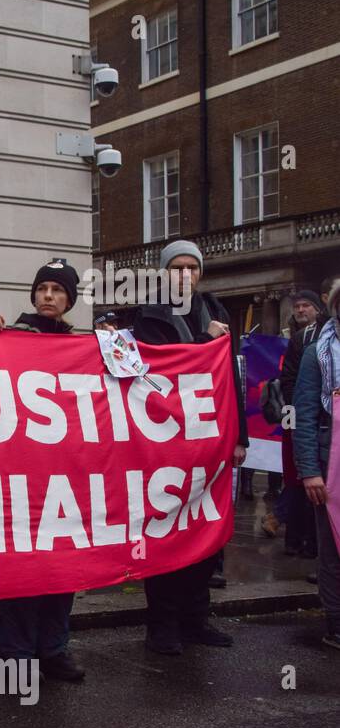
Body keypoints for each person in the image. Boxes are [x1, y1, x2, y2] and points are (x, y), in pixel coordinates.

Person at [130, 240, 248, 654]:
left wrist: (240, 436)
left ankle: (196, 619)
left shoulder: (215, 309)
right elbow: (157, 369)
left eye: (191, 268)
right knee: (166, 531)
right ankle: (161, 626)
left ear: (200, 273)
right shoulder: (147, 314)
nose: (185, 275)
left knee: (206, 532)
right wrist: (202, 341)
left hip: (211, 439)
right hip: (165, 440)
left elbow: (231, 376)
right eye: (176, 267)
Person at [0, 259, 86, 682]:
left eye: (57, 290)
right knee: (21, 567)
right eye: (42, 288)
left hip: (66, 475)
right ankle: (16, 652)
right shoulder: (9, 336)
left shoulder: (80, 347)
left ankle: (53, 648)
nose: (48, 296)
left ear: (69, 300)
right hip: (20, 474)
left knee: (63, 566)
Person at [291, 301, 340, 652]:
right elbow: (303, 413)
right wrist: (309, 470)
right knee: (334, 551)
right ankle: (336, 625)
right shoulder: (316, 353)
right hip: (330, 463)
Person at [272, 290, 327, 556]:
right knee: (295, 475)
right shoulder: (297, 338)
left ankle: (306, 539)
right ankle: (296, 537)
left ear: (319, 308)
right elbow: (289, 379)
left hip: (321, 417)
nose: (301, 310)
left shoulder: (323, 335)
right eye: (297, 306)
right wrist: (295, 416)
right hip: (298, 414)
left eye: (307, 305)